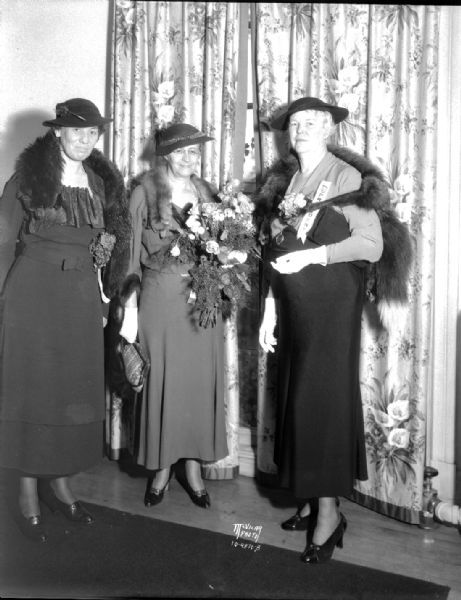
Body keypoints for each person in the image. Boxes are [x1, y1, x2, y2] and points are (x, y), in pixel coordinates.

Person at [256, 96, 386, 564]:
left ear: (330, 130)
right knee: (298, 398)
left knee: (321, 403)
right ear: (288, 132)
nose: (304, 128)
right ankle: (312, 498)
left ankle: (329, 515)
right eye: (296, 122)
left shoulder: (346, 177)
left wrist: (313, 256)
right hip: (294, 306)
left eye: (314, 122)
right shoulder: (288, 180)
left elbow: (371, 245)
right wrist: (270, 308)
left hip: (330, 306)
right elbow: (274, 250)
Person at [0, 98, 131, 542]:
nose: (85, 139)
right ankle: (26, 492)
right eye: (77, 131)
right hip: (31, 297)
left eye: (93, 132)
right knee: (32, 391)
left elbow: (107, 245)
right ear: (57, 132)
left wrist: (101, 293)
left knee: (69, 390)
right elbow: (2, 242)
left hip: (78, 299)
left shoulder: (98, 182)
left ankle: (59, 483)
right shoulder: (27, 178)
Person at [119, 123, 228, 509]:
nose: (188, 159)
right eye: (180, 152)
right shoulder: (143, 193)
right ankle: (161, 469)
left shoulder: (207, 192)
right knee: (162, 382)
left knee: (198, 384)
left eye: (194, 152)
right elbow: (130, 254)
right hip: (161, 296)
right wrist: (128, 311)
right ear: (165, 154)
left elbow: (224, 245)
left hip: (204, 297)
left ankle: (194, 468)